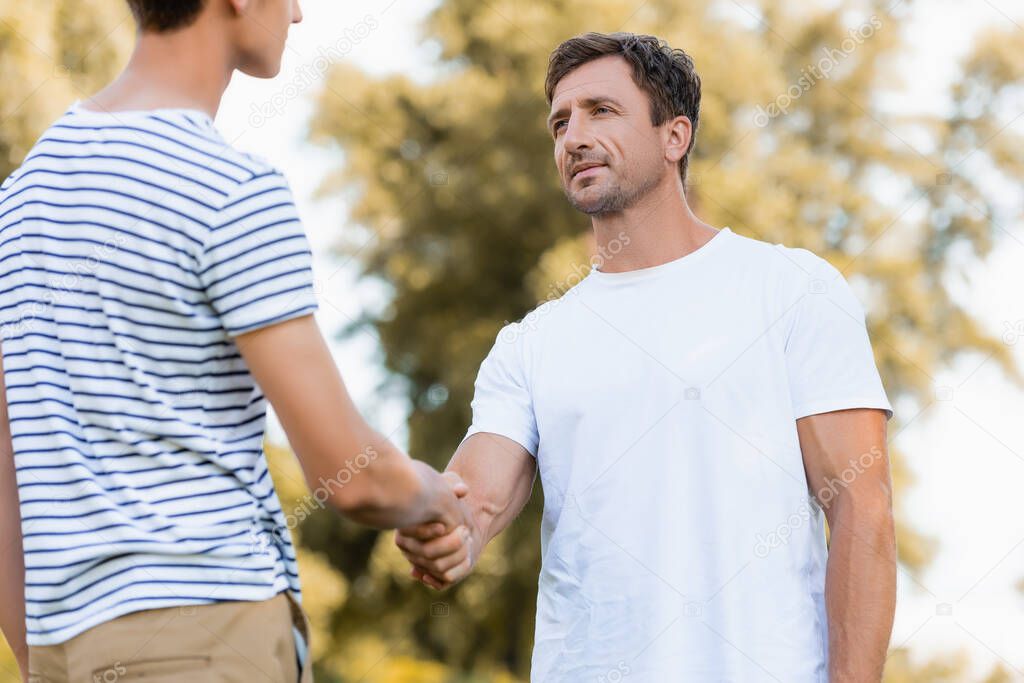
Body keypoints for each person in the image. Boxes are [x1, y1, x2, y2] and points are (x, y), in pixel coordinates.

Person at [396, 32, 897, 682]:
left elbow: (863, 508)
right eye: (560, 121)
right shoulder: (532, 343)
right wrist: (436, 522)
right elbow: (477, 501)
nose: (572, 135)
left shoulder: (793, 289)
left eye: (600, 111)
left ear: (675, 136)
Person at [0, 1, 472, 681]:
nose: (301, 13)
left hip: (63, 650)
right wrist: (435, 498)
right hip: (210, 635)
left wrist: (41, 657)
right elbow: (353, 476)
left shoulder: (19, 202)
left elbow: (9, 477)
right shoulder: (230, 189)